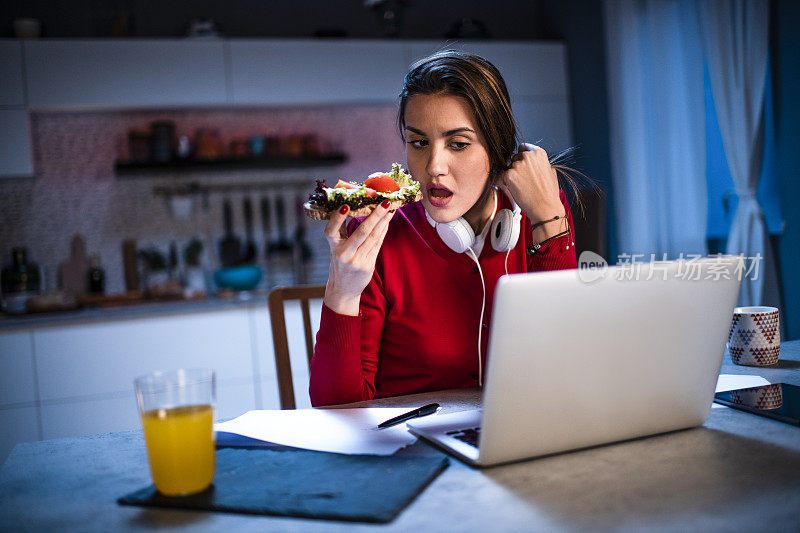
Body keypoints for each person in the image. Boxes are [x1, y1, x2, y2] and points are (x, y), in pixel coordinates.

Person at [309, 50, 579, 407]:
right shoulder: (375, 235)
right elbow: (335, 406)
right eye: (418, 142)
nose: (434, 166)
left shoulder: (541, 213)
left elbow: (567, 373)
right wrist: (342, 292)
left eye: (458, 144)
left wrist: (549, 221)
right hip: (407, 450)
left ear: (496, 148)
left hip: (517, 437)